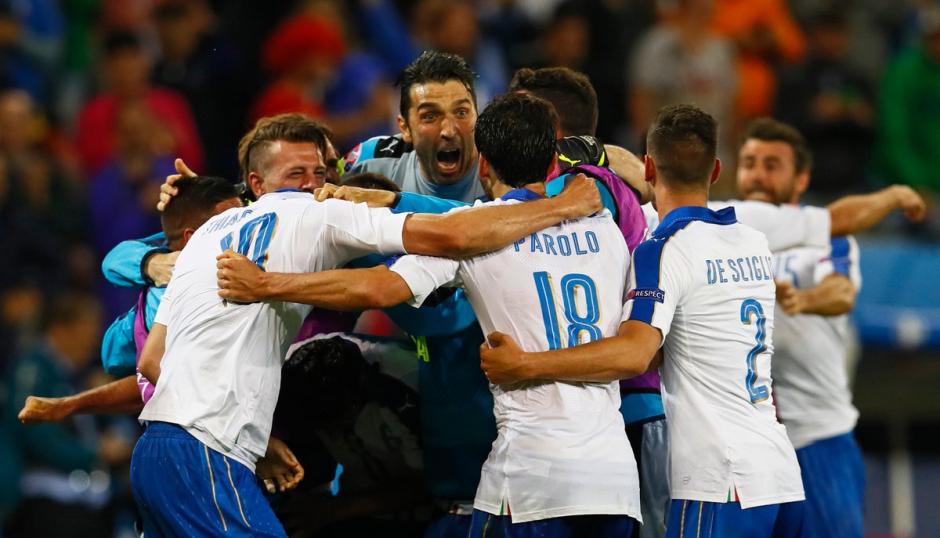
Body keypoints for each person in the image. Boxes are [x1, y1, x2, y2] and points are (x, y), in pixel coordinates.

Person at [130, 109, 603, 536]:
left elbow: (153, 361)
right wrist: (566, 205)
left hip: (156, 449)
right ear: (257, 183)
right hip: (205, 452)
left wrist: (262, 440)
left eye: (322, 170)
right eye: (298, 173)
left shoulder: (205, 237)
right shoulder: (314, 212)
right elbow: (453, 235)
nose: (316, 183)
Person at [478, 105, 806, 537]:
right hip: (781, 472)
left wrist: (527, 365)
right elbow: (692, 343)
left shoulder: (662, 248)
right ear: (716, 170)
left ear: (648, 166)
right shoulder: (754, 243)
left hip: (720, 481)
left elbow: (635, 354)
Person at [737, 118, 865, 537]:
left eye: (772, 164)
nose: (757, 173)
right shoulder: (721, 238)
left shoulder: (828, 235)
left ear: (801, 178)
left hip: (815, 439)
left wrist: (802, 299)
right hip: (744, 447)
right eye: (749, 162)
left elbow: (841, 292)